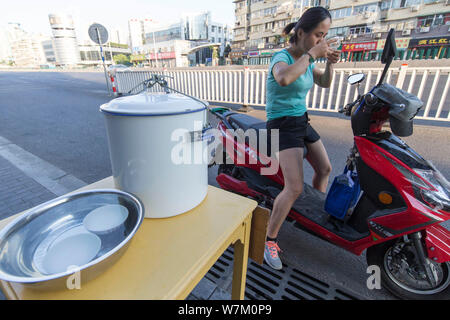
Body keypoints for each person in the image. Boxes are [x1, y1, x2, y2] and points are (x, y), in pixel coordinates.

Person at [264, 6, 340, 270]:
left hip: (301, 120)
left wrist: (329, 64)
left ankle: (312, 218)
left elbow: (324, 82)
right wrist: (311, 54)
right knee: (294, 187)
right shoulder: (281, 58)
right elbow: (284, 78)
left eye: (325, 35)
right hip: (282, 124)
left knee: (325, 168)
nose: (322, 40)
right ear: (301, 32)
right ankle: (269, 240)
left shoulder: (309, 61)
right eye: (319, 34)